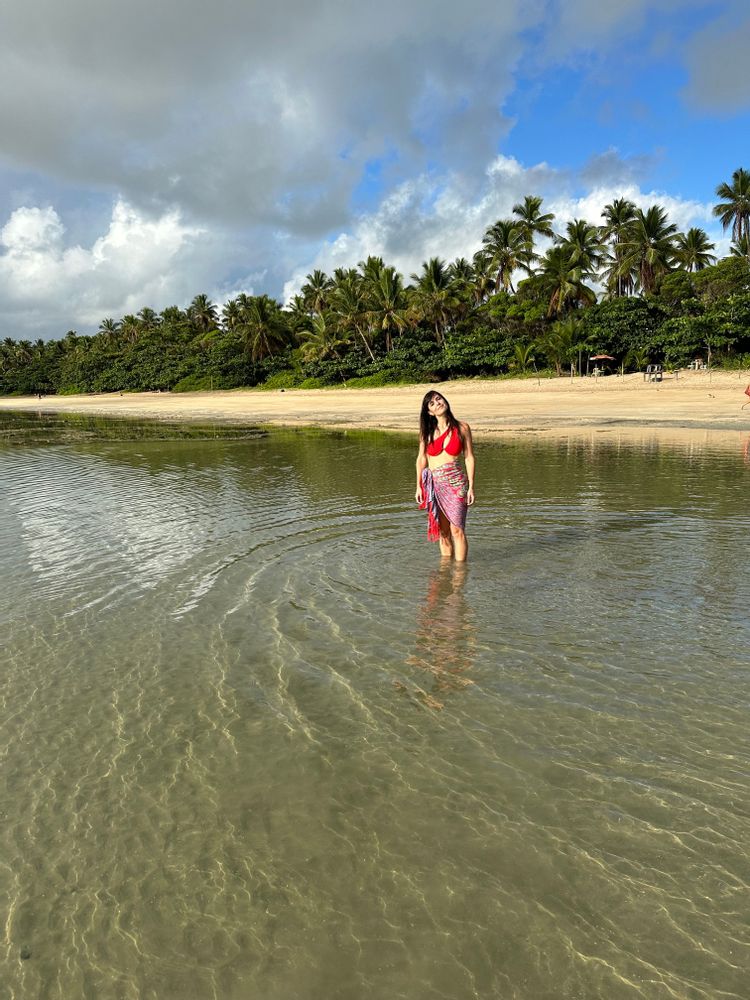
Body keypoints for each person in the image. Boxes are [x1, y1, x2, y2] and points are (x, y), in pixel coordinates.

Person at [415, 391, 475, 561]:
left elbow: (469, 457)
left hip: (457, 484)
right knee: (443, 531)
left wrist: (471, 487)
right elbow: (421, 459)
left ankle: (460, 572)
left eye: (439, 399)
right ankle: (446, 570)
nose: (438, 403)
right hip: (435, 485)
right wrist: (418, 485)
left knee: (457, 530)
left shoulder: (462, 428)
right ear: (429, 412)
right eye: (432, 403)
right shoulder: (426, 432)